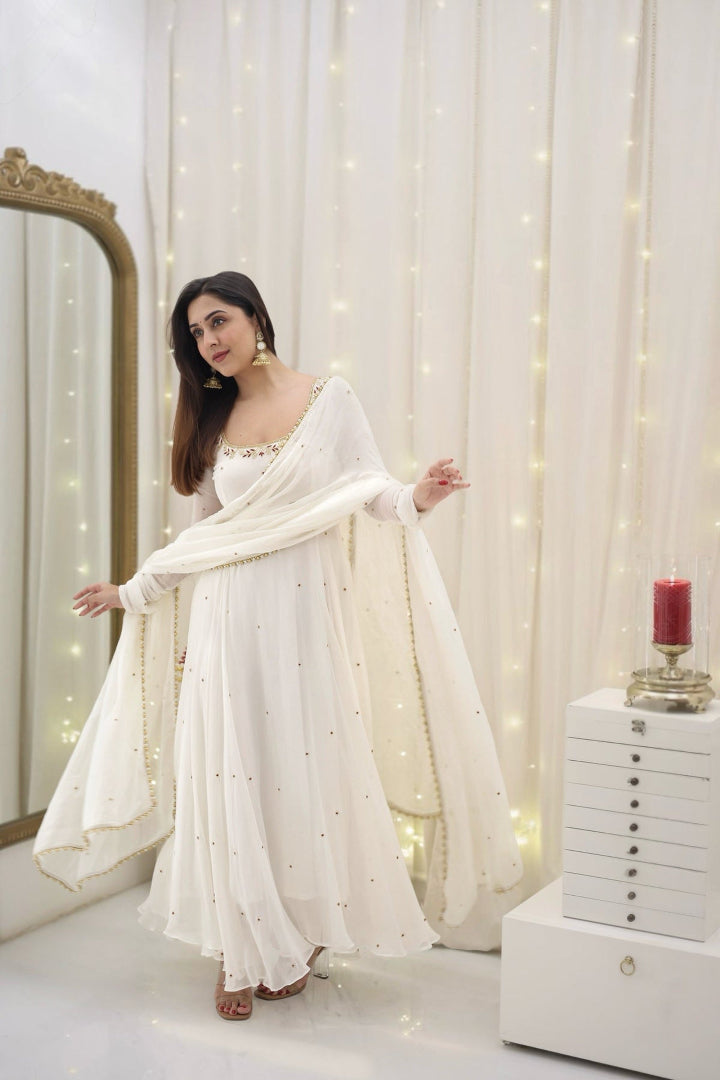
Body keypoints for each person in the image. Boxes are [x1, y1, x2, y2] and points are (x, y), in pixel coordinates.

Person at [34, 271, 522, 1022]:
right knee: (231, 774)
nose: (209, 340)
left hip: (304, 622)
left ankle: (304, 929)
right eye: (195, 333)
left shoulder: (330, 400)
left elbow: (372, 492)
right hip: (226, 620)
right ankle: (240, 949)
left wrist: (421, 494)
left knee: (303, 776)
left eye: (218, 321)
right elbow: (206, 533)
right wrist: (132, 591)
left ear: (256, 316)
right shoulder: (213, 418)